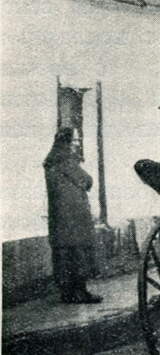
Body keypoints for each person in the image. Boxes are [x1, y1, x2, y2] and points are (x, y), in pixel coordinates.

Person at [44, 127, 102, 304]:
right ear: (66, 142)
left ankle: (68, 293)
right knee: (78, 254)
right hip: (74, 218)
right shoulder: (66, 160)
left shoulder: (53, 160)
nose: (77, 143)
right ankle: (81, 292)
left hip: (60, 218)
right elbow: (86, 180)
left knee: (64, 255)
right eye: (75, 140)